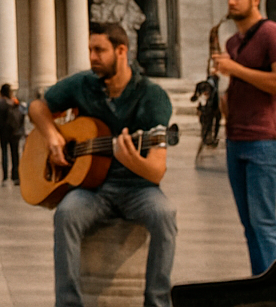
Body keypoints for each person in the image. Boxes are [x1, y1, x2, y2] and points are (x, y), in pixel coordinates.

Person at [30, 23, 176, 307]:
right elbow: (38, 107)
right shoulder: (84, 84)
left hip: (138, 188)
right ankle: (69, 304)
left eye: (99, 50)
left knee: (165, 215)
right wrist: (52, 137)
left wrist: (132, 160)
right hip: (92, 189)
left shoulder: (152, 96)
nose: (92, 57)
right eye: (90, 50)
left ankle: (157, 301)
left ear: (121, 51)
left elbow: (157, 171)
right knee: (66, 215)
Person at [211, 0, 276, 276]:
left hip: (264, 139)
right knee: (249, 225)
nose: (231, 1)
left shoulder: (274, 34)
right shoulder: (233, 41)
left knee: (264, 222)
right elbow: (239, 86)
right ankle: (260, 283)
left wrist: (236, 69)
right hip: (236, 137)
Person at [0, 83, 25, 185]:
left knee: (4, 153)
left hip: (4, 131)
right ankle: (16, 176)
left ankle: (5, 177)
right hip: (15, 131)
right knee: (15, 154)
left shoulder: (0, 102)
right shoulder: (15, 101)